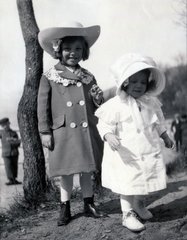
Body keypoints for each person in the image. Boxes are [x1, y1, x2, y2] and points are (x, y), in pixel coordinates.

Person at [95, 53, 174, 232]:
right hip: (126, 152)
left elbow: (158, 122)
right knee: (128, 182)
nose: (139, 86)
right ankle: (127, 213)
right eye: (134, 81)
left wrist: (165, 136)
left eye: (143, 82)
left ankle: (139, 204)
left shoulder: (151, 102)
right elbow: (104, 123)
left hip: (147, 148)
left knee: (143, 179)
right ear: (125, 82)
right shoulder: (116, 104)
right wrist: (109, 135)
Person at [37, 21, 105, 226]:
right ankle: (64, 207)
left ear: (84, 51)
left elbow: (98, 103)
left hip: (85, 129)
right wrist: (45, 131)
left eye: (77, 49)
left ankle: (89, 204)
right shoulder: (50, 76)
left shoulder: (87, 75)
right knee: (66, 170)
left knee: (86, 169)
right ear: (58, 50)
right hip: (63, 131)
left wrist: (98, 98)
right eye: (67, 49)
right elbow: (42, 106)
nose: (72, 53)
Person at [0, 118, 21, 185]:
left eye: (6, 124)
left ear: (8, 124)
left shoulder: (14, 133)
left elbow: (18, 143)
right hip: (6, 153)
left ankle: (14, 179)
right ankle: (10, 179)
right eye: (3, 125)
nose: (5, 126)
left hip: (14, 152)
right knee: (8, 166)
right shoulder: (1, 133)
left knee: (15, 166)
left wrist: (13, 141)